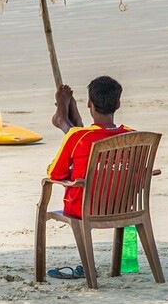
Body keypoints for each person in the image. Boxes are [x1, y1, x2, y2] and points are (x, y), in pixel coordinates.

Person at [47, 76, 134, 219]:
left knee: (74, 149)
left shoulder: (78, 137)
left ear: (89, 103)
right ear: (118, 104)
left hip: (82, 209)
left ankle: (64, 120)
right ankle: (66, 121)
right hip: (123, 207)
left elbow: (55, 174)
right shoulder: (133, 136)